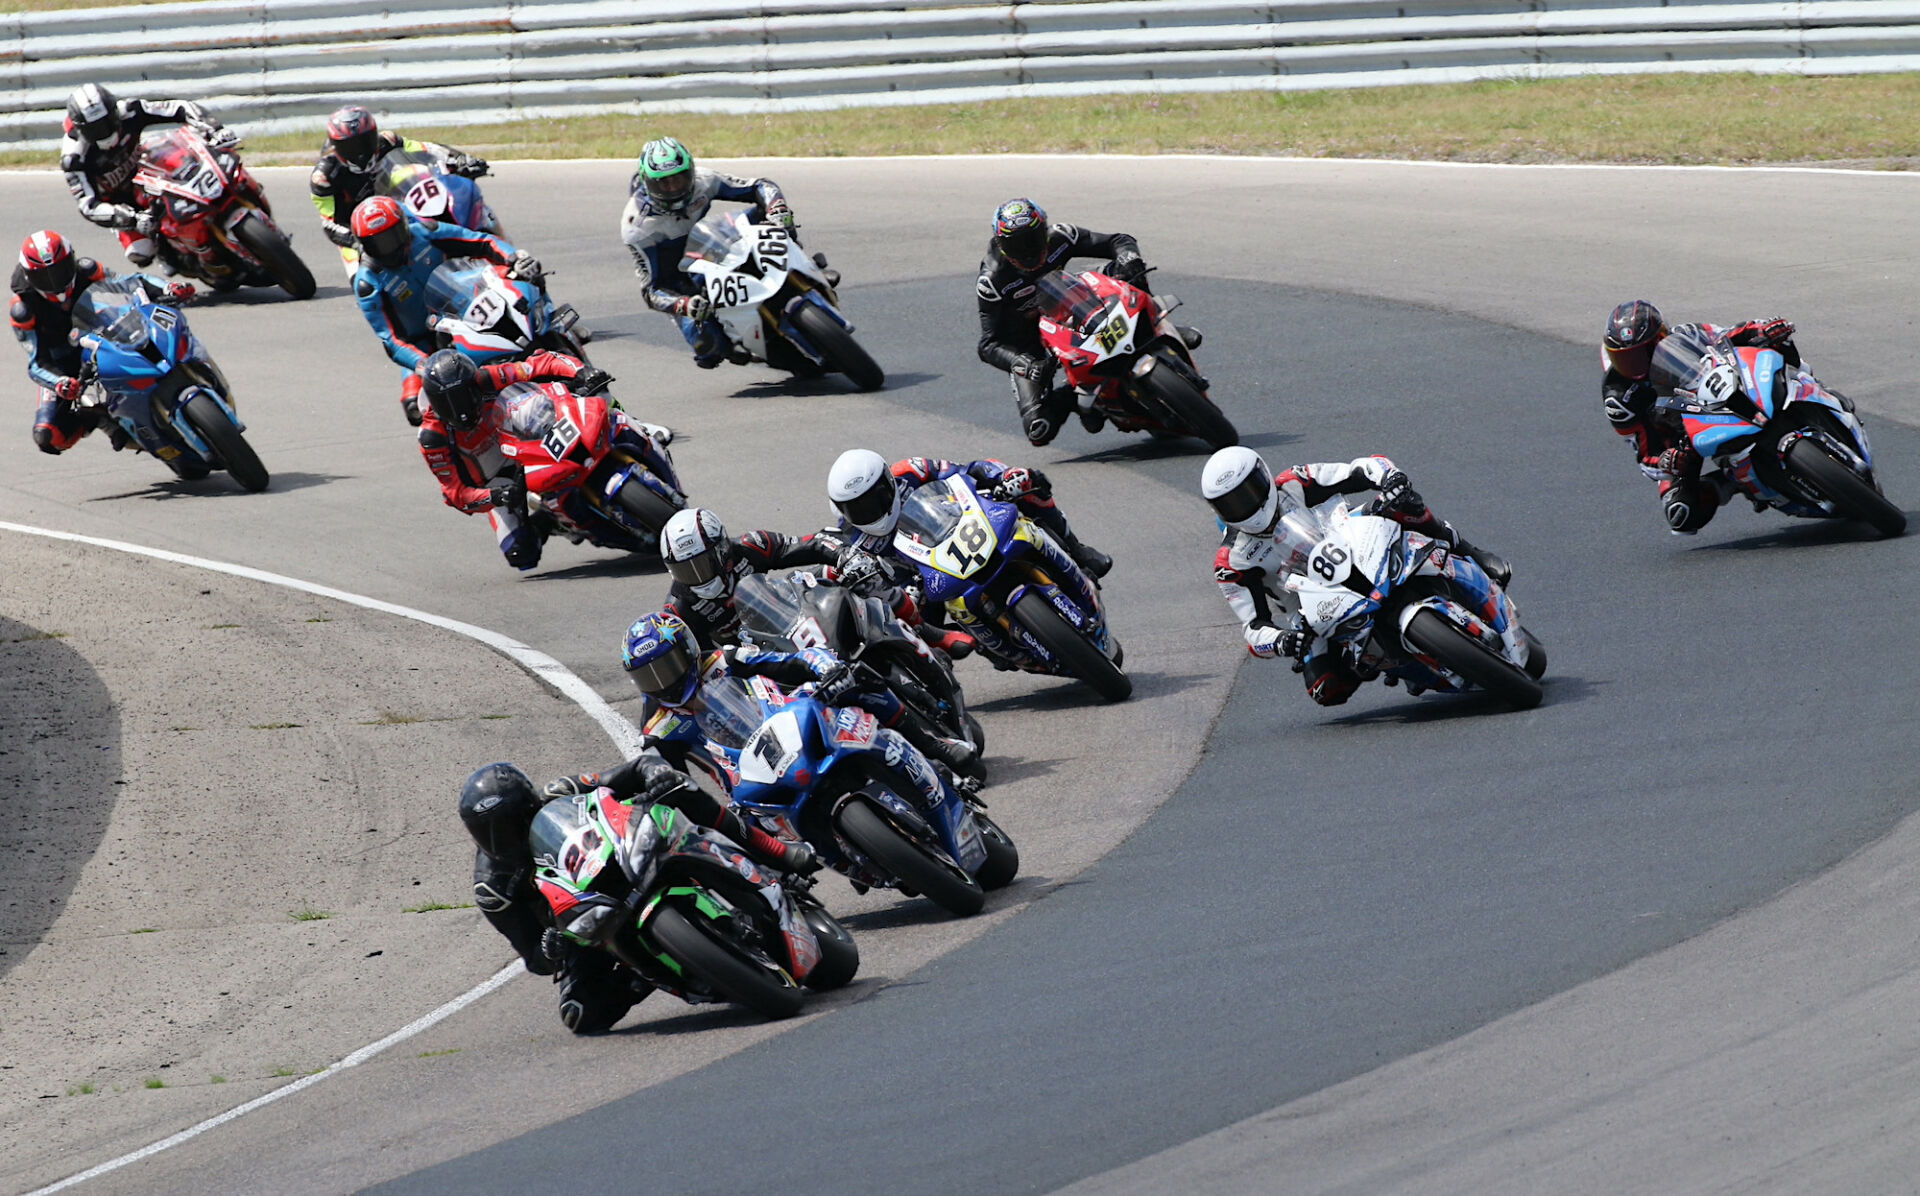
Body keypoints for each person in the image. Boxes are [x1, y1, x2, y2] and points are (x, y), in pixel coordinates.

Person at [458, 756, 817, 1034]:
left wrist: (655, 773)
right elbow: (533, 954)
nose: (502, 840)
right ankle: (644, 972)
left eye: (511, 824)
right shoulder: (493, 888)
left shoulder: (562, 792)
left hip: (624, 861)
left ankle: (773, 852)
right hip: (583, 929)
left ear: (530, 804)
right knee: (580, 1015)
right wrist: (551, 950)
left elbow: (634, 769)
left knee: (677, 788)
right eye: (486, 833)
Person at [1201, 446, 1512, 706]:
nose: (1245, 506)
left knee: (1401, 505)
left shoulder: (1294, 481)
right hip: (1312, 605)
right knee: (1325, 689)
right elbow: (1254, 629)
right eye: (1231, 503)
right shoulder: (1232, 561)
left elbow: (1360, 469)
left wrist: (1391, 478)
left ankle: (1471, 552)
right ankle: (1390, 664)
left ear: (1263, 475)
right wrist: (1283, 641)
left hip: (1351, 542)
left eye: (1249, 492)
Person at [623, 609, 978, 775]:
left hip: (789, 722)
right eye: (648, 676)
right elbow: (670, 782)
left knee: (858, 679)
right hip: (751, 781)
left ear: (687, 650)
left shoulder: (727, 658)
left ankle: (934, 745)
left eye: (665, 667)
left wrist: (827, 668)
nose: (662, 681)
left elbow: (791, 660)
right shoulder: (657, 728)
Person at [416, 348, 673, 571]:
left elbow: (541, 363)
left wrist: (581, 371)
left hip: (525, 440)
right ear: (434, 403)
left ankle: (636, 426)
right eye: (447, 402)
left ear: (473, 384)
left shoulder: (487, 378)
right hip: (498, 479)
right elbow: (455, 494)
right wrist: (496, 497)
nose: (458, 408)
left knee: (594, 392)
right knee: (520, 553)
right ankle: (552, 521)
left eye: (462, 395)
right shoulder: (432, 439)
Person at [975, 196, 1198, 446]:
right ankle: (1075, 395)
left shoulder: (1062, 236)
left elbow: (1119, 240)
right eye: (1017, 246)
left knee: (1124, 268)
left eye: (1033, 240)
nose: (1027, 252)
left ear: (1044, 231)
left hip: (1071, 300)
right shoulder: (992, 282)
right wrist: (1023, 364)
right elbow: (988, 344)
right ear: (1001, 244)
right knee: (1039, 429)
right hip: (1031, 343)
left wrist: (1128, 257)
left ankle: (1153, 324)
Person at [658, 506, 975, 658]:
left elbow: (810, 543)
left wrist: (844, 556)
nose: (696, 577)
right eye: (685, 570)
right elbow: (697, 663)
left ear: (722, 550)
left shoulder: (750, 546)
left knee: (853, 573)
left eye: (701, 564)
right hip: (758, 662)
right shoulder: (678, 609)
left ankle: (929, 634)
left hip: (791, 616)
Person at [619, 136, 823, 368]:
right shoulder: (637, 226)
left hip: (713, 243)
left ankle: (802, 264)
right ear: (648, 183)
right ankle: (748, 346)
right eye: (663, 183)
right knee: (708, 346)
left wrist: (776, 208)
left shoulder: (704, 180)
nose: (674, 188)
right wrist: (685, 305)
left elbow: (760, 186)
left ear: (691, 171)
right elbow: (651, 291)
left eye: (679, 178)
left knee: (768, 218)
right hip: (681, 281)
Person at [1601, 299, 1801, 534]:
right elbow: (1646, 456)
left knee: (1778, 342)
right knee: (1681, 514)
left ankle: (1809, 392)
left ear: (1661, 337)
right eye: (1624, 360)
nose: (1635, 367)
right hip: (1683, 439)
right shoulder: (1619, 398)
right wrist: (1666, 460)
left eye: (1641, 355)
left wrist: (1762, 329)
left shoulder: (1687, 334)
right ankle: (1730, 482)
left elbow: (1728, 335)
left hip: (1723, 390)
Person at [351, 196, 534, 425]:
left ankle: (559, 333)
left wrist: (513, 258)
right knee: (416, 408)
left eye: (391, 237)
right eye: (378, 243)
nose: (388, 248)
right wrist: (422, 364)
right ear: (365, 245)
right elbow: (391, 340)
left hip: (463, 310)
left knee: (522, 304)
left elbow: (482, 241)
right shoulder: (368, 283)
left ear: (404, 227)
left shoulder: (426, 232)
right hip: (423, 342)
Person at [11, 229, 193, 455]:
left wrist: (167, 287)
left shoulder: (86, 269)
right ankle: (104, 421)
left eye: (60, 270)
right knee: (48, 435)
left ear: (71, 259)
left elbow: (128, 283)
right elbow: (36, 362)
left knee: (156, 328)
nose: (54, 281)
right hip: (65, 364)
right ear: (29, 276)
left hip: (102, 329)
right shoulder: (23, 310)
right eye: (44, 276)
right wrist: (60, 382)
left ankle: (187, 364)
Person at [826, 448, 1113, 580]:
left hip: (962, 525)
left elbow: (967, 471)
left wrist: (1001, 478)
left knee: (1025, 482)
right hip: (930, 578)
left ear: (888, 481)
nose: (870, 511)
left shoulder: (911, 470)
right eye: (858, 508)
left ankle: (1077, 550)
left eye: (875, 499)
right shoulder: (853, 540)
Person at [60, 84, 237, 270]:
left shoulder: (129, 110)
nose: (105, 131)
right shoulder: (74, 158)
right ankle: (170, 253)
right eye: (95, 129)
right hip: (121, 204)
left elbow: (179, 108)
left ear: (114, 112)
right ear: (81, 130)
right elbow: (88, 206)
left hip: (148, 170)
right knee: (141, 253)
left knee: (189, 154)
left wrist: (215, 129)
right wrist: (129, 219)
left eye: (108, 121)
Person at [311, 105, 490, 279]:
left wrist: (459, 158)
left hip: (397, 205)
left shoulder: (387, 141)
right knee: (366, 283)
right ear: (336, 147)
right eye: (350, 147)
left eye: (365, 141)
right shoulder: (324, 177)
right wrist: (357, 242)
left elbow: (426, 149)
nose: (359, 152)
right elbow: (330, 224)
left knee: (444, 194)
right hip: (360, 229)